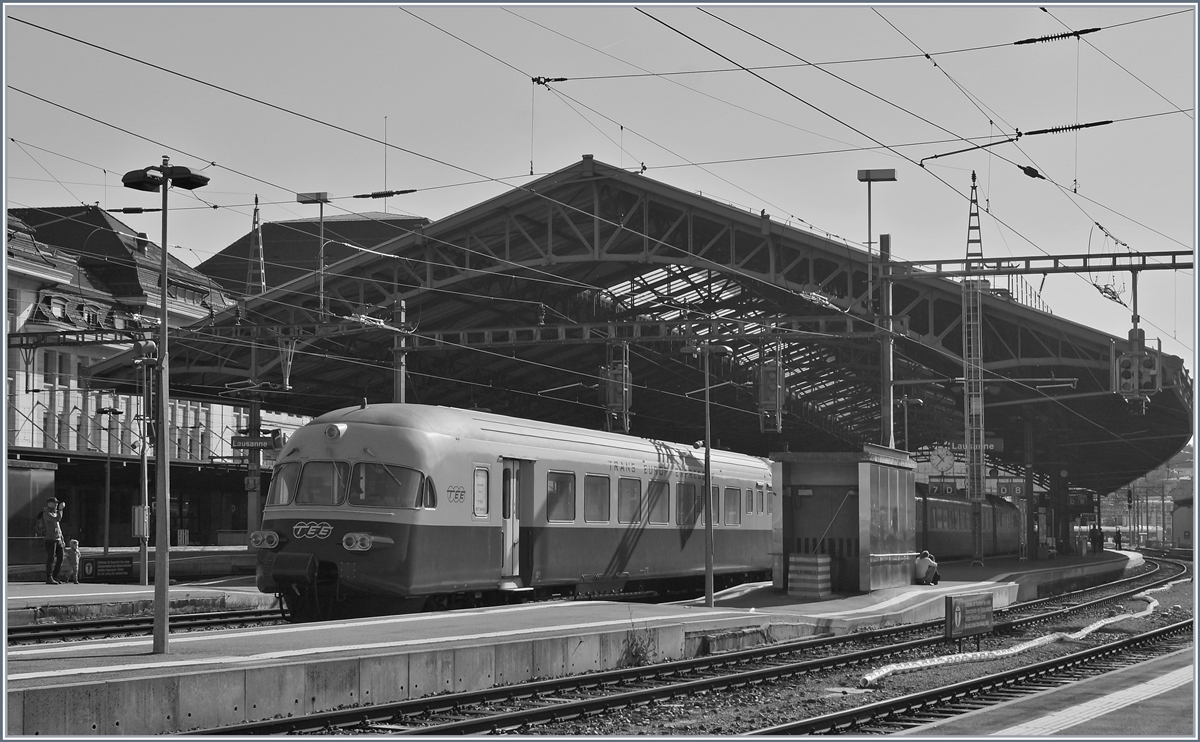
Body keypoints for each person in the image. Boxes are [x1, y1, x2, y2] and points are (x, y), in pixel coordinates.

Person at [42, 497, 65, 584]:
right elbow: (57, 519)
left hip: (58, 538)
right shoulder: (47, 513)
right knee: (50, 558)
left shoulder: (55, 513)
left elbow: (58, 526)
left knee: (60, 558)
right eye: (54, 503)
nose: (56, 504)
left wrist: (62, 538)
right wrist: (60, 509)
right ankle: (49, 577)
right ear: (49, 504)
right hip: (50, 539)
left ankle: (55, 576)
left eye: (56, 503)